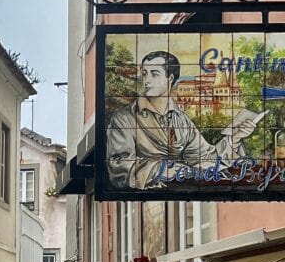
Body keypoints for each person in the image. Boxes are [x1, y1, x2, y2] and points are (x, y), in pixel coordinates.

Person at [106, 50, 260, 190]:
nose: (146, 81)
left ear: (170, 78)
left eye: (154, 74)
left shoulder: (181, 119)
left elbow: (204, 156)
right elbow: (119, 164)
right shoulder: (124, 118)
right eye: (144, 73)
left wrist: (235, 138)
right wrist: (165, 169)